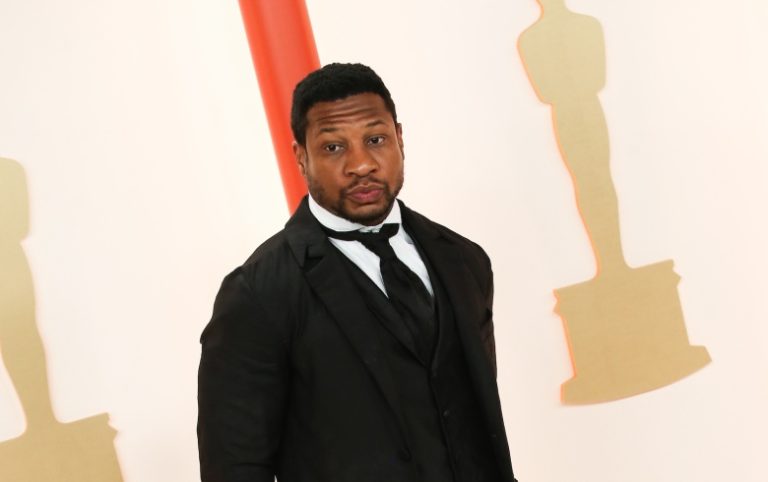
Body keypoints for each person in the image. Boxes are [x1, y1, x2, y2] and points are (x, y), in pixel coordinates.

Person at [197, 63, 518, 482]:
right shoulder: (258, 293)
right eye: (333, 148)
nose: (361, 164)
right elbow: (234, 469)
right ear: (301, 156)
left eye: (375, 139)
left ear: (400, 139)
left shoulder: (463, 259)